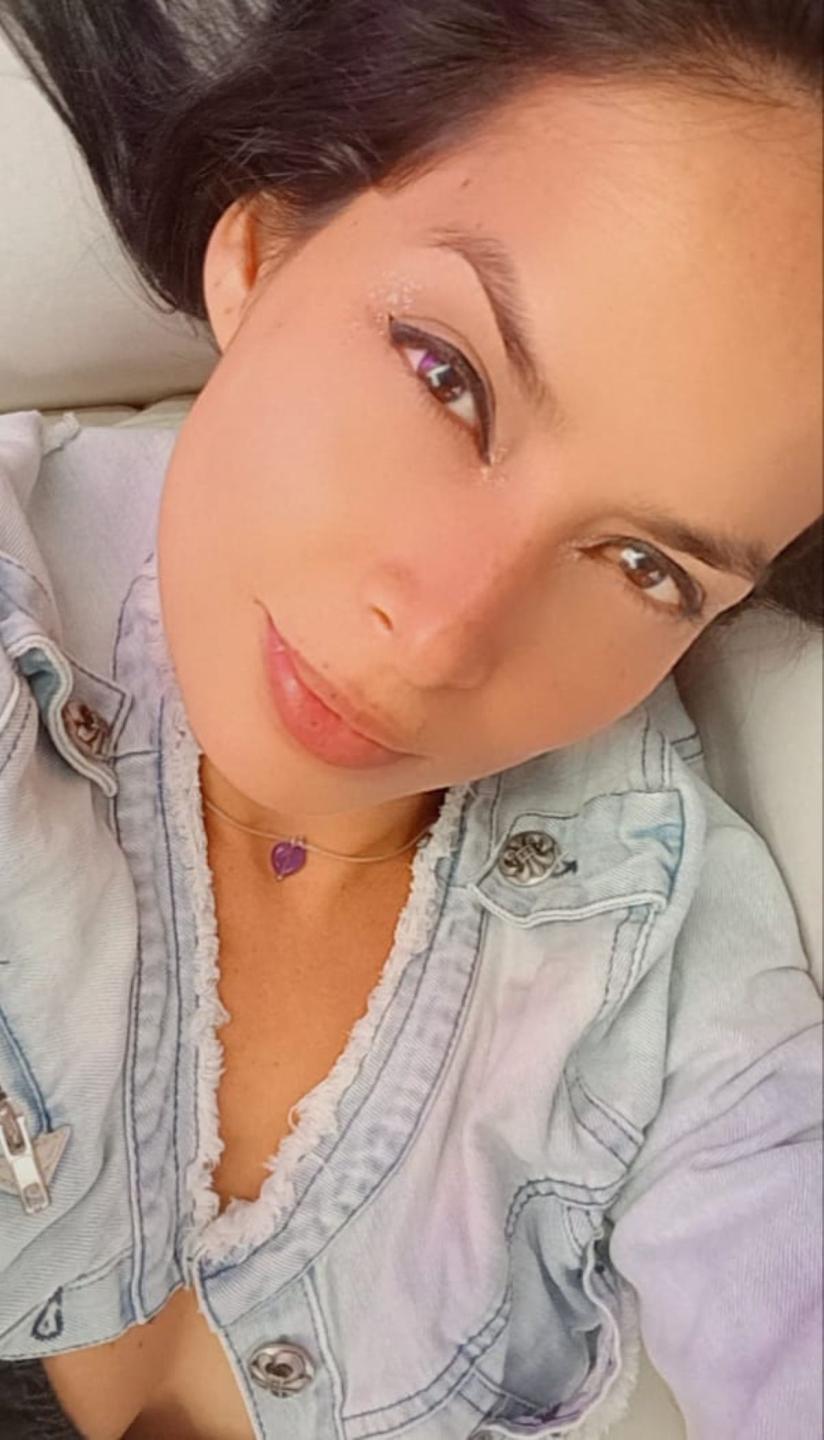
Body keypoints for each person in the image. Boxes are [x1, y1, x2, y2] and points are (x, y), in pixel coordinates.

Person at [0, 2, 821, 1437]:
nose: (444, 639)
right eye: (449, 377)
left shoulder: (668, 947)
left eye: (646, 566)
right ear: (261, 245)